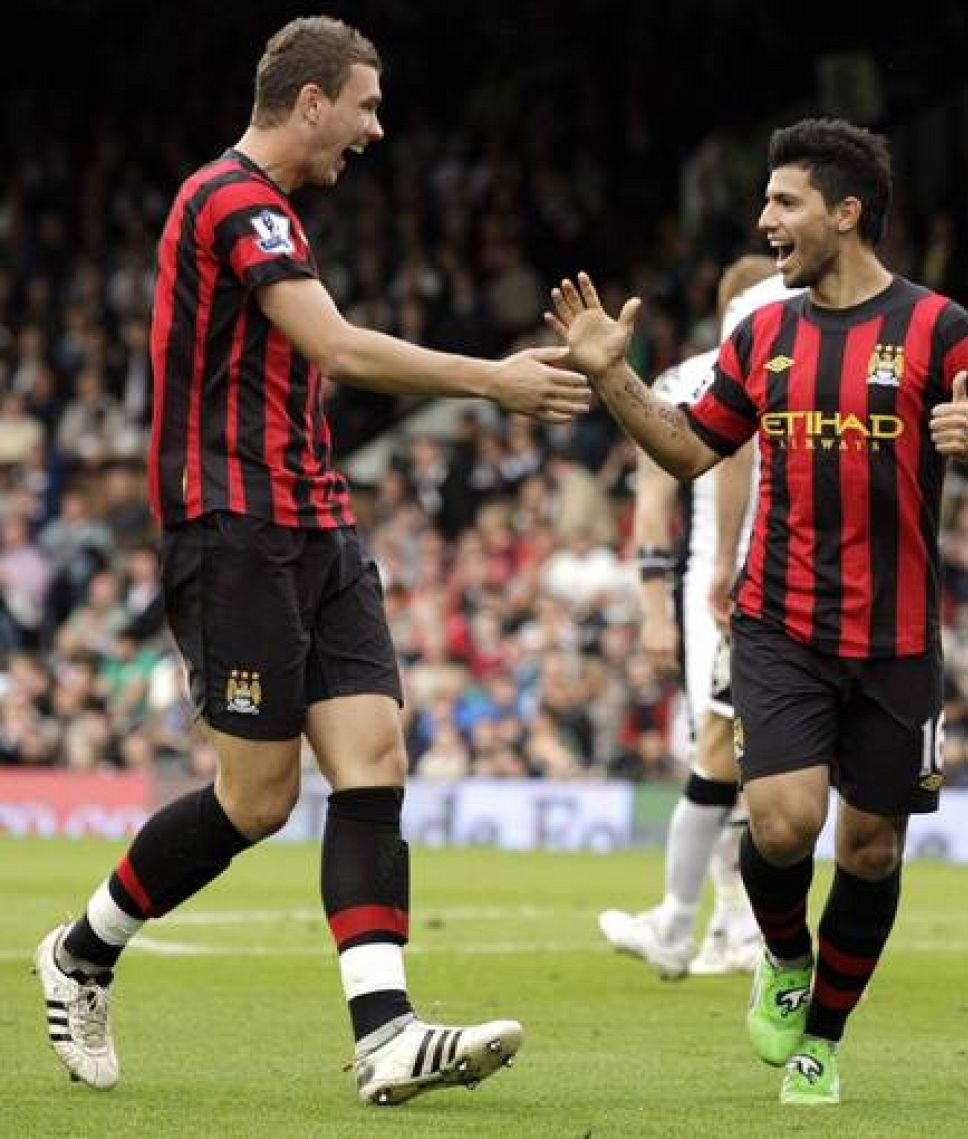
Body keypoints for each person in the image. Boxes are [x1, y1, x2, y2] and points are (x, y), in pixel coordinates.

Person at [33, 16, 590, 1105]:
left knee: (374, 749)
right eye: (367, 106)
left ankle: (385, 1033)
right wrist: (494, 378)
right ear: (309, 101)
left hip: (317, 524)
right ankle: (83, 951)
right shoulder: (229, 199)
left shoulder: (275, 211)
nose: (376, 129)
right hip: (231, 529)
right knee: (256, 796)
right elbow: (334, 345)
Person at [546, 118, 968, 1104]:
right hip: (778, 621)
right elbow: (688, 449)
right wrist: (612, 375)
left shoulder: (940, 328)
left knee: (869, 846)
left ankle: (823, 1033)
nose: (765, 219)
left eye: (785, 203)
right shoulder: (765, 332)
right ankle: (783, 960)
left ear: (844, 212)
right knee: (780, 823)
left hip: (899, 638)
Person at [598, 254, 795, 979]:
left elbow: (651, 510)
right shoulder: (789, 364)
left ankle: (713, 924)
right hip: (745, 586)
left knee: (722, 757)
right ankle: (729, 923)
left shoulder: (684, 382)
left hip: (722, 593)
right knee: (729, 760)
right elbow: (655, 506)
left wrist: (658, 609)